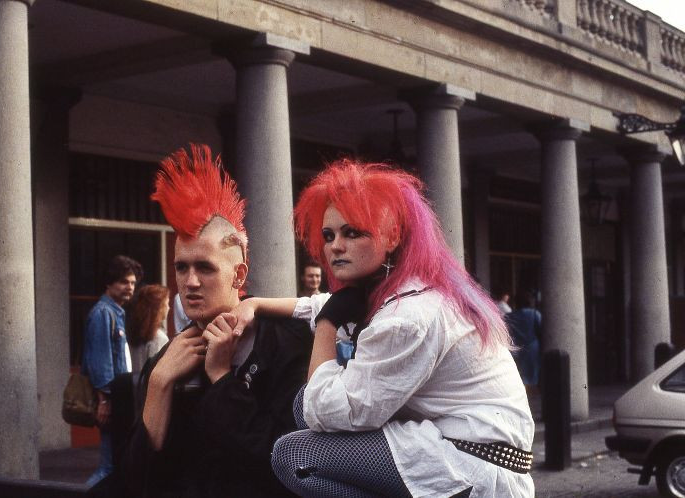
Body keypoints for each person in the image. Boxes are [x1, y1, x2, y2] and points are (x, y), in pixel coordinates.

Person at [229, 159, 534, 497]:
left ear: (391, 237)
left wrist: (329, 323)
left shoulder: (408, 315)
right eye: (328, 235)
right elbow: (316, 305)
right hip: (473, 451)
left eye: (352, 232)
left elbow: (321, 412)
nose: (335, 247)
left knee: (295, 451)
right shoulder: (409, 289)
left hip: (472, 463)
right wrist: (254, 304)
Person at [101, 144, 312, 498]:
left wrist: (222, 379)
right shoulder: (169, 357)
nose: (190, 282)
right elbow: (136, 482)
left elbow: (284, 461)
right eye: (182, 267)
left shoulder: (287, 341)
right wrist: (159, 385)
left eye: (205, 267)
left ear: (238, 274)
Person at [81, 255, 143, 487]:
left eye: (133, 283)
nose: (130, 287)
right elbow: (99, 361)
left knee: (116, 463)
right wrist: (104, 400)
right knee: (108, 467)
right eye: (124, 282)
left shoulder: (115, 312)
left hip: (119, 398)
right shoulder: (103, 313)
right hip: (110, 399)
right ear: (109, 283)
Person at [126, 284, 170, 373]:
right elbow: (157, 372)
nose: (169, 308)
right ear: (158, 308)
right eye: (167, 304)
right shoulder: (159, 338)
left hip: (136, 385)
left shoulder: (135, 333)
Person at [506, 290, 542, 389]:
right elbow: (541, 329)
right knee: (532, 373)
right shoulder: (534, 314)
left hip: (516, 348)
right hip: (532, 347)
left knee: (519, 374)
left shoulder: (509, 316)